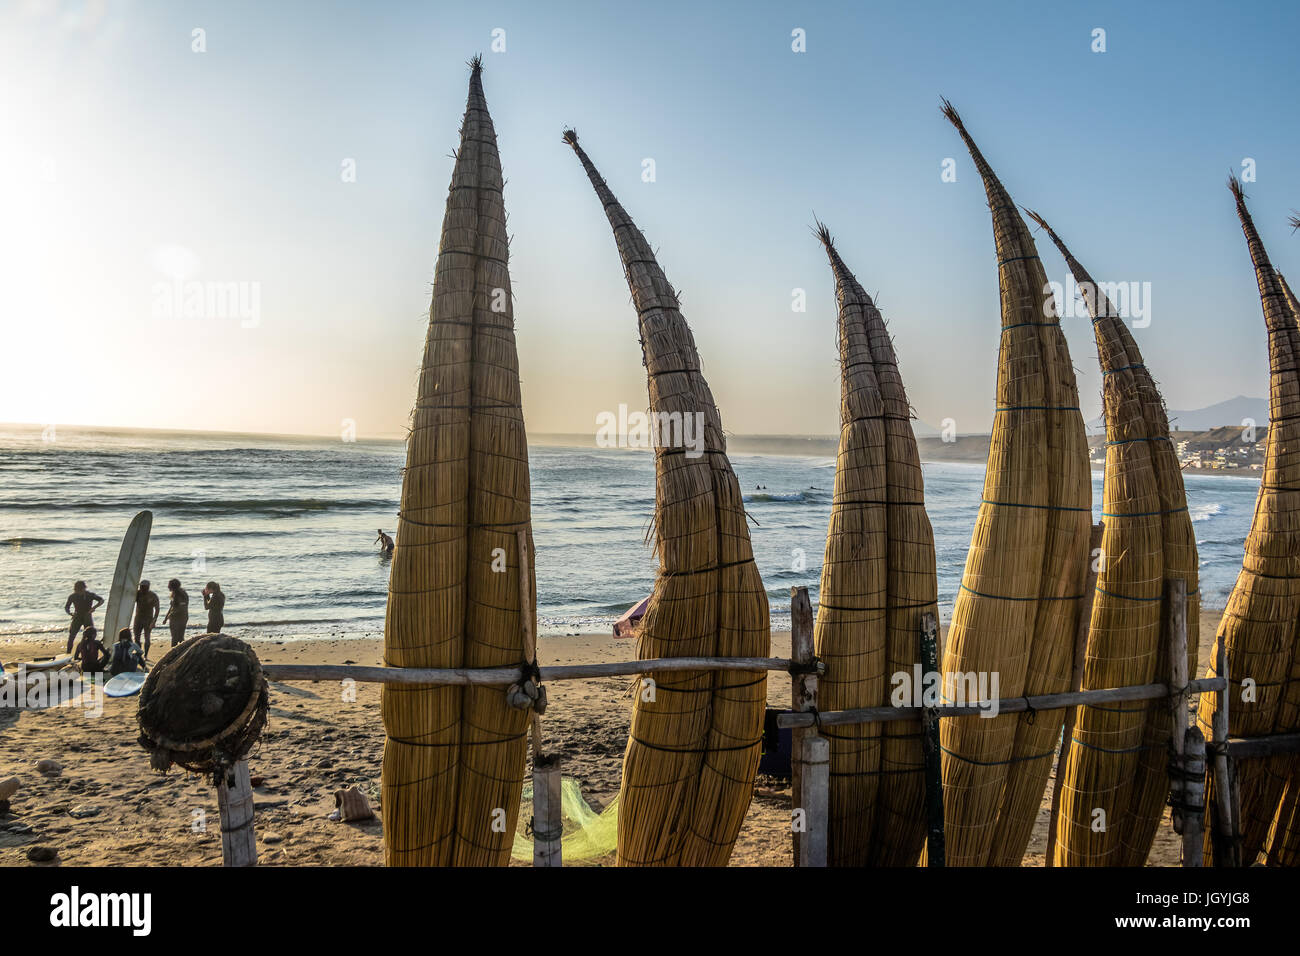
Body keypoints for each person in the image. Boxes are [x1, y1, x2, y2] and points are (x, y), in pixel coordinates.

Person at [64, 580, 104, 653]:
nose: (79, 592)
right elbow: (66, 607)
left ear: (84, 588)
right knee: (72, 636)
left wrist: (93, 608)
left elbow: (101, 600)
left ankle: (87, 653)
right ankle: (68, 653)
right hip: (77, 616)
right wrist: (70, 613)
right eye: (77, 591)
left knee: (89, 636)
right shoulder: (72, 596)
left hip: (87, 616)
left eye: (81, 590)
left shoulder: (90, 595)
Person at [132, 580, 160, 658]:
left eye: (143, 587)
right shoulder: (137, 594)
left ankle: (146, 655)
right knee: (136, 637)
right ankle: (139, 654)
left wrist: (154, 621)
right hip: (138, 618)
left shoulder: (153, 596)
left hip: (148, 619)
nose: (141, 588)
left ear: (148, 587)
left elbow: (157, 609)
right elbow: (130, 601)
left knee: (147, 637)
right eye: (140, 586)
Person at [163, 579, 189, 648]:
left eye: (169, 585)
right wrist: (166, 618)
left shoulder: (181, 594)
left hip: (179, 618)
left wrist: (171, 614)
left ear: (173, 586)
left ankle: (175, 651)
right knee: (178, 637)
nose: (168, 587)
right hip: (180, 617)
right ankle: (180, 651)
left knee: (177, 637)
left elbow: (182, 607)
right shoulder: (174, 593)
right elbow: (172, 607)